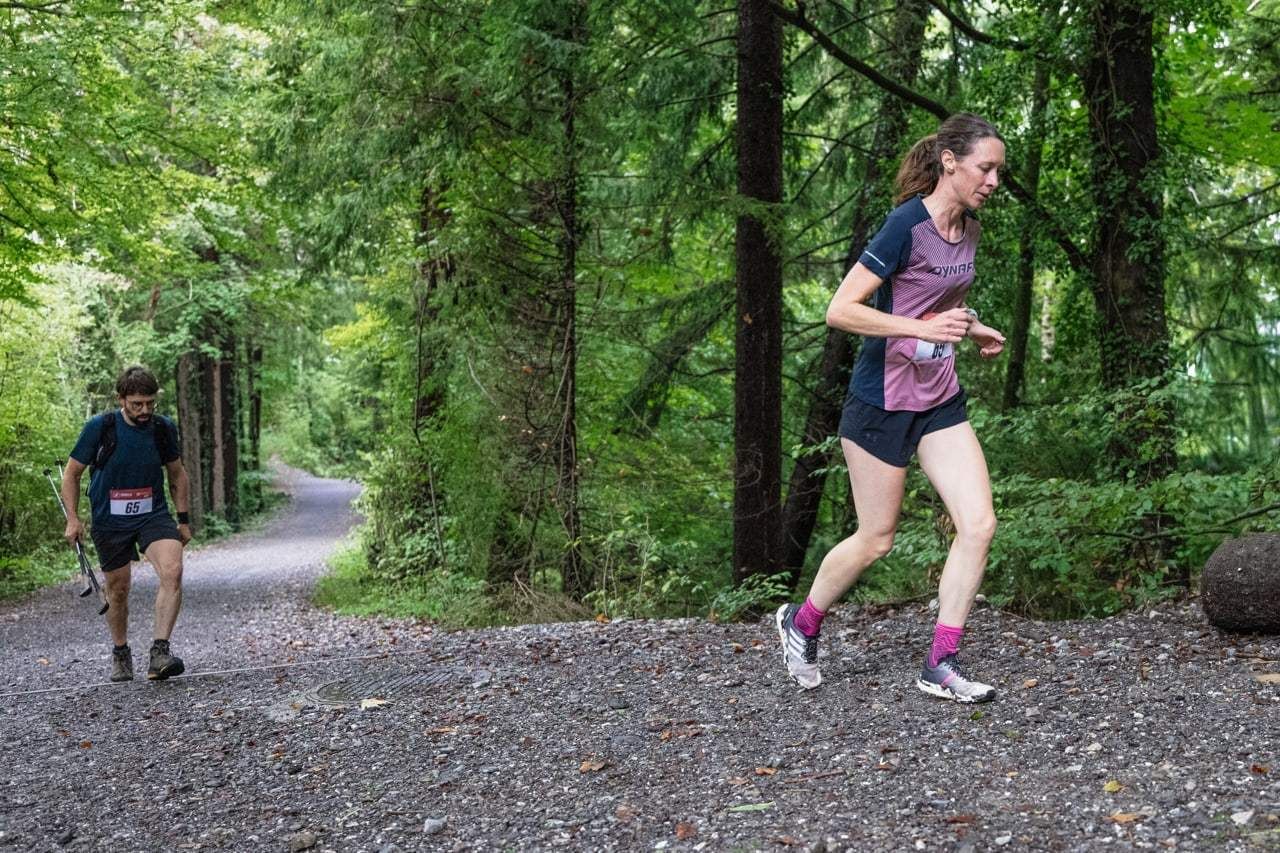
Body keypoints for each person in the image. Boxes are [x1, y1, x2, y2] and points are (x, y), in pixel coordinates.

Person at [776, 113, 1008, 703]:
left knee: (979, 524)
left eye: (999, 172)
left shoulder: (970, 230)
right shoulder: (905, 226)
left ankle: (941, 663)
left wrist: (973, 326)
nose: (993, 181)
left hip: (939, 398)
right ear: (950, 162)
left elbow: (941, 303)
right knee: (876, 539)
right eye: (985, 168)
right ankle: (802, 621)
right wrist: (921, 327)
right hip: (881, 401)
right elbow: (841, 309)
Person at [62, 366, 192, 682]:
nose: (145, 410)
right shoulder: (101, 427)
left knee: (173, 569)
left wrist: (183, 519)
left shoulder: (163, 428)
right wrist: (73, 519)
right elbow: (72, 474)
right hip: (110, 519)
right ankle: (120, 651)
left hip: (152, 514)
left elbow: (177, 474)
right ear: (121, 400)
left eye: (150, 403)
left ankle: (159, 653)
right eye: (137, 404)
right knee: (118, 589)